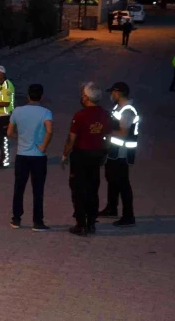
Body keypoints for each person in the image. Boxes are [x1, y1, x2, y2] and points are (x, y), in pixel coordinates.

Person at [61, 82, 111, 237]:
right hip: (96, 156)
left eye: (83, 94)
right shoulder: (105, 114)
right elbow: (108, 137)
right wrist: (105, 153)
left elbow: (72, 138)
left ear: (86, 97)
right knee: (93, 189)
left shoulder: (80, 115)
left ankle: (80, 223)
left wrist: (65, 154)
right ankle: (91, 223)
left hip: (81, 156)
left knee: (78, 190)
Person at [7, 84, 53, 232]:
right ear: (41, 96)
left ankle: (16, 219)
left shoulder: (18, 111)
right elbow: (49, 131)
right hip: (38, 157)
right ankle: (37, 221)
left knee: (19, 188)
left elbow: (9, 132)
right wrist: (43, 146)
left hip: (22, 155)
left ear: (28, 95)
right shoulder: (46, 112)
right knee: (38, 190)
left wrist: (20, 138)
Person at [99, 82, 139, 228]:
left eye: (112, 93)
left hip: (121, 152)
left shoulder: (127, 111)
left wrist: (105, 132)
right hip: (113, 151)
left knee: (123, 183)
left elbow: (123, 133)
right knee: (111, 179)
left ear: (118, 92)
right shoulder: (119, 108)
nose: (111, 95)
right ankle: (111, 208)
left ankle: (129, 216)